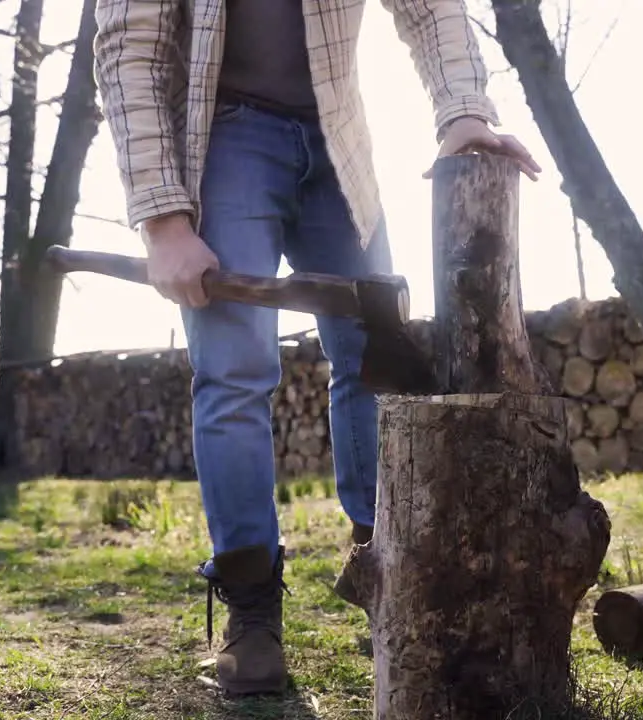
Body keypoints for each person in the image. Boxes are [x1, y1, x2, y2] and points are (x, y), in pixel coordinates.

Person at [91, 0, 541, 697]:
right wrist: (164, 219)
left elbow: (430, 9)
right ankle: (253, 618)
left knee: (378, 360)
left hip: (339, 142)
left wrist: (464, 114)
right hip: (225, 136)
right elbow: (131, 48)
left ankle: (391, 579)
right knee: (235, 371)